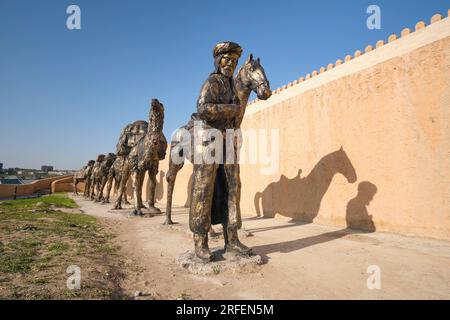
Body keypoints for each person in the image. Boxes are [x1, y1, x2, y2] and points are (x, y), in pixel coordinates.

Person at [189, 41, 251, 261]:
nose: (231, 64)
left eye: (235, 61)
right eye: (227, 59)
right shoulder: (213, 81)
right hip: (208, 138)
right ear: (218, 60)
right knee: (204, 187)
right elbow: (203, 108)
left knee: (233, 187)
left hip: (229, 140)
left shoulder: (233, 86)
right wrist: (232, 109)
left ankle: (232, 240)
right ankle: (200, 241)